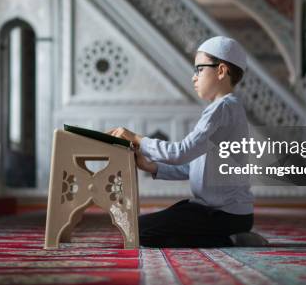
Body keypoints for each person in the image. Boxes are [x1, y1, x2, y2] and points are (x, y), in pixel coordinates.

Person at [108, 36, 268, 248]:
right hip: (225, 214)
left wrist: (137, 139)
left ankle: (230, 239)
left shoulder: (222, 109)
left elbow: (181, 152)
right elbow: (194, 166)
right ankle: (229, 237)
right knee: (141, 229)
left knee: (136, 230)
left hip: (223, 216)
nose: (194, 77)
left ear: (221, 71)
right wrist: (151, 166)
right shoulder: (225, 108)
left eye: (199, 69)